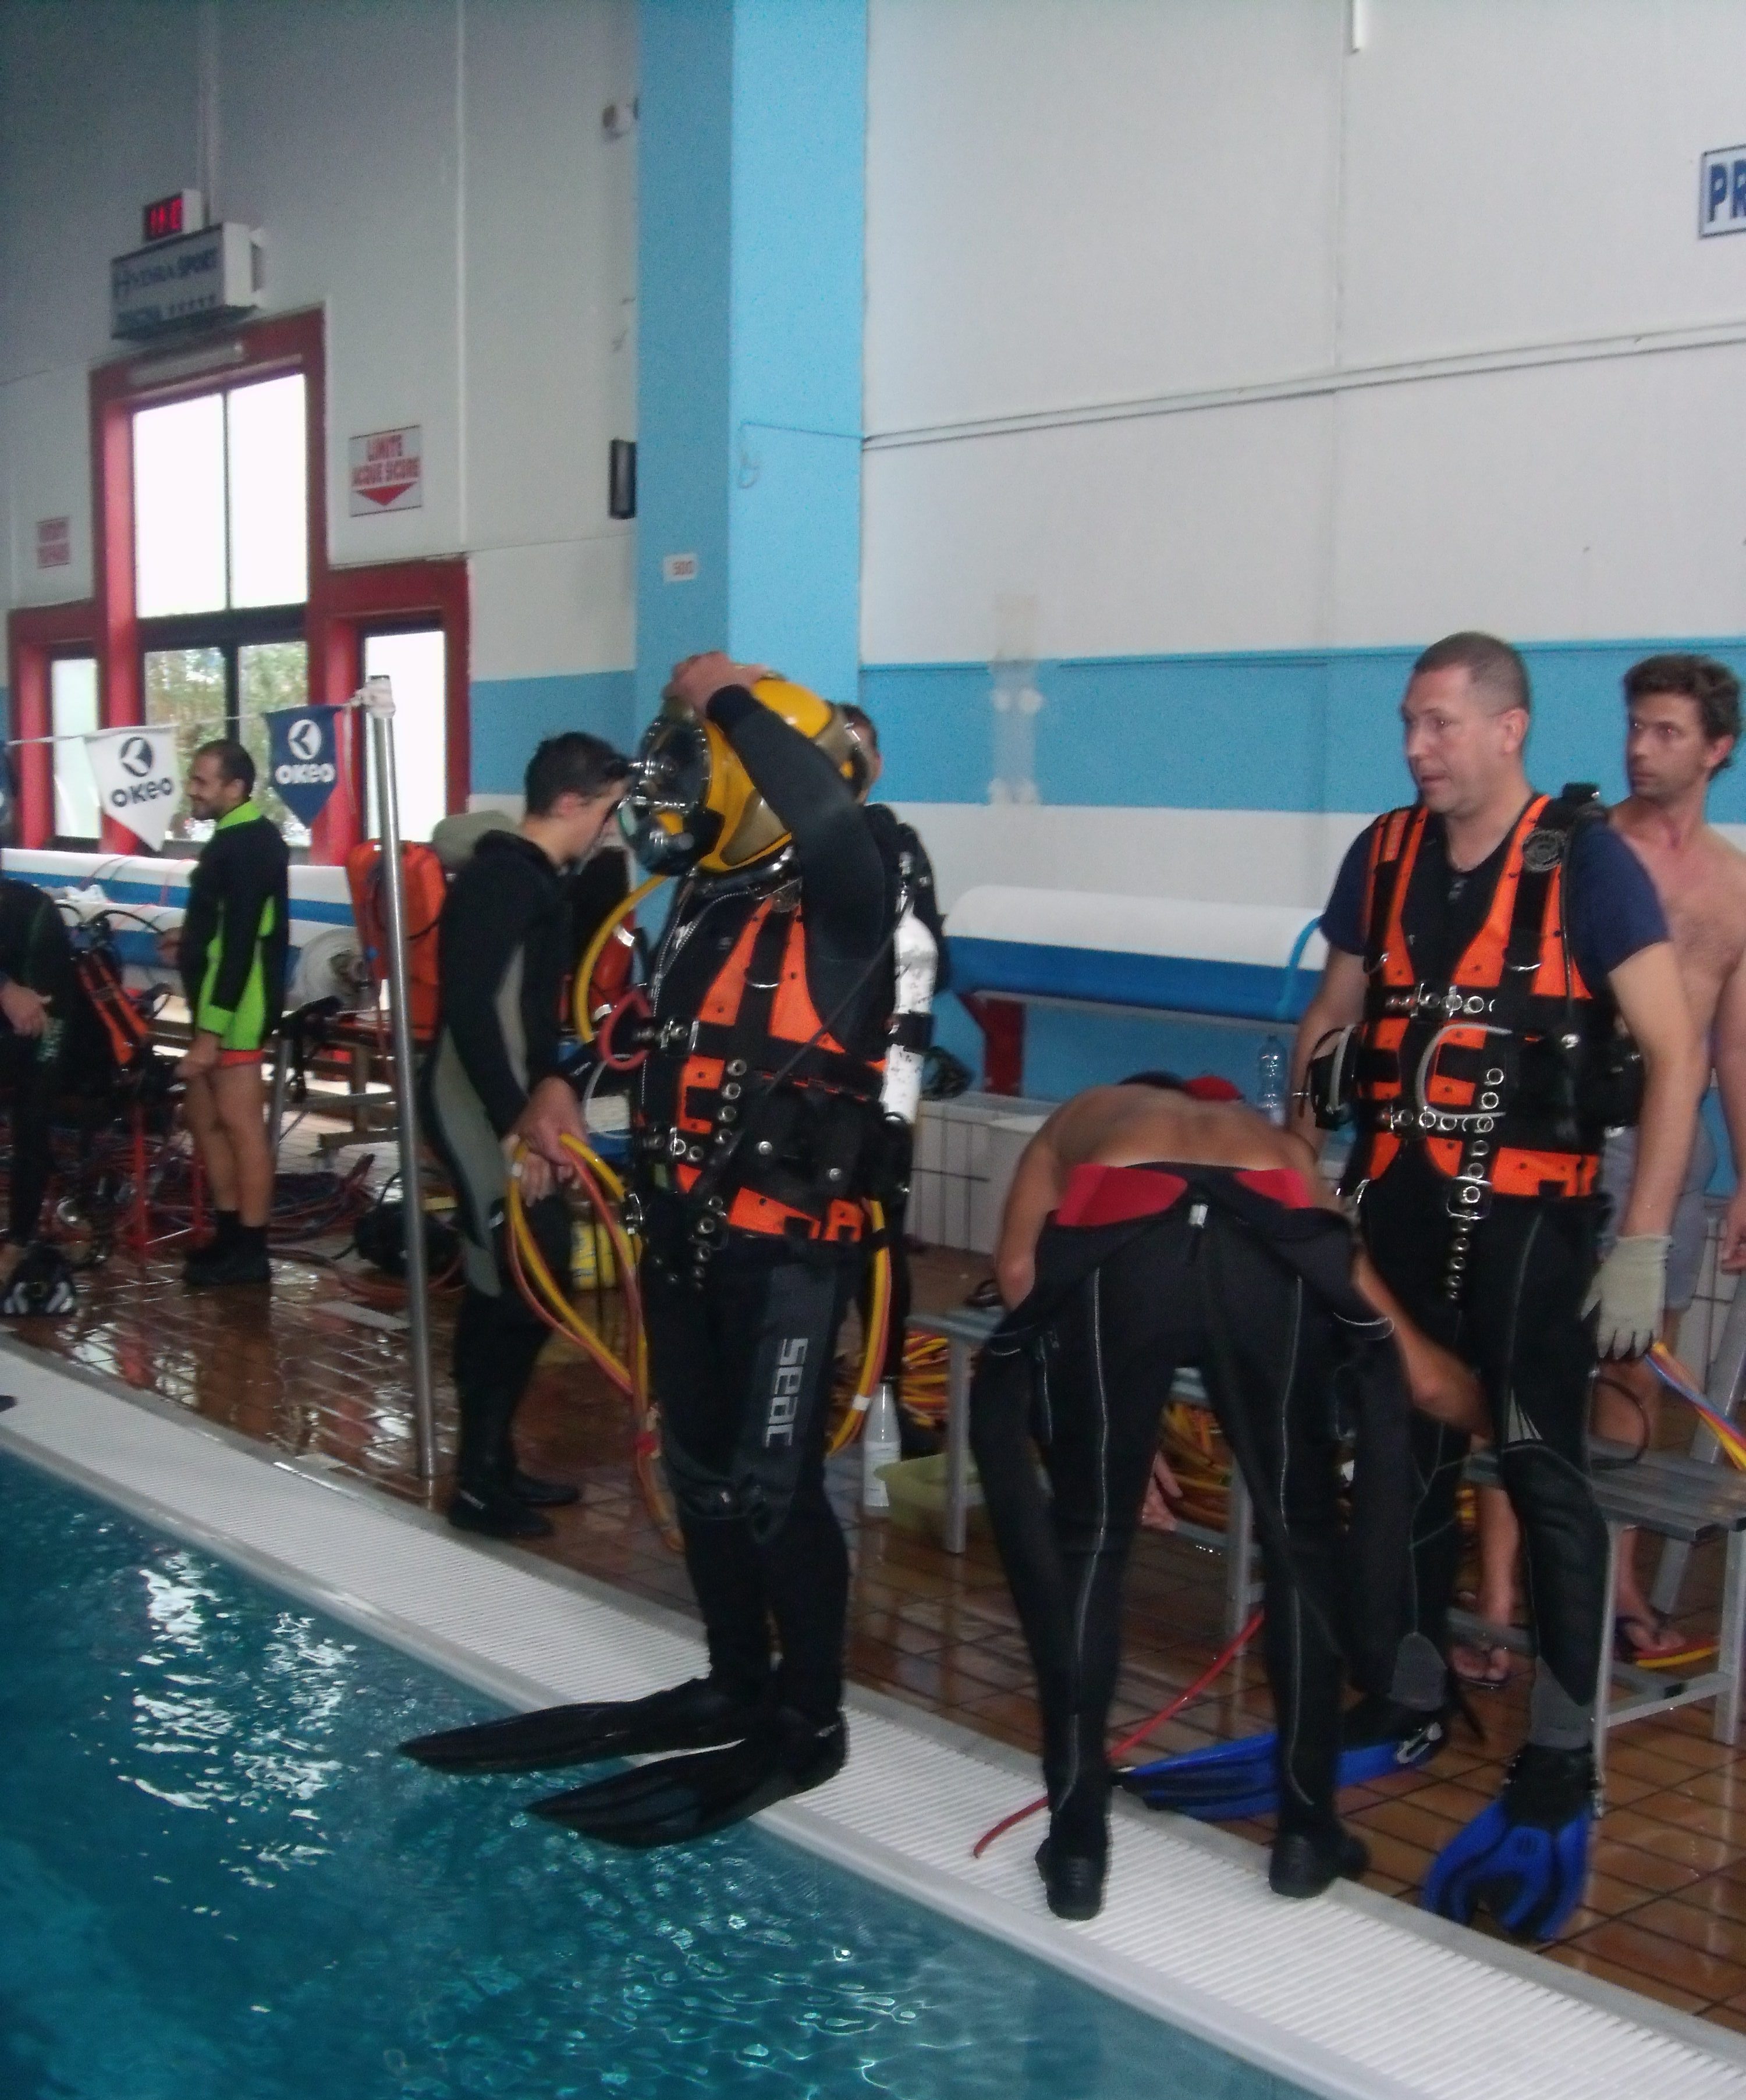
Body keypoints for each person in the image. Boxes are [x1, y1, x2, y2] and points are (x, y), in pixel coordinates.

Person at [404, 653, 901, 1849]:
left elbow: (830, 822)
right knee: (700, 1471)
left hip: (787, 1253)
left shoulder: (857, 884)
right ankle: (735, 1676)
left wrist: (727, 695)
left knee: (774, 1487)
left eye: (698, 770)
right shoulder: (707, 902)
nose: (671, 798)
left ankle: (811, 1715)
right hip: (683, 1232)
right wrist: (560, 1087)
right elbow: (655, 1038)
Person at [1291, 631, 1707, 1943]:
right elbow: (1333, 1013)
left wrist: (1643, 1241)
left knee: (1541, 1468)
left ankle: (1564, 1752)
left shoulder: (1586, 863)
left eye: (1440, 724)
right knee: (1400, 1454)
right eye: (1408, 724)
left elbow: (1677, 1053)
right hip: (1398, 1207)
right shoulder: (1385, 855)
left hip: (1533, 1225)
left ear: (1509, 728)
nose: (1416, 747)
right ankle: (1413, 1692)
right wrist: (1300, 1165)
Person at [970, 1071, 1483, 1921]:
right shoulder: (1272, 1144)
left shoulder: (1084, 1115)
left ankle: (1078, 1845)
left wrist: (1101, 1428)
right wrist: (1496, 1418)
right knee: (1301, 1538)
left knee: (1092, 1539)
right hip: (1267, 1239)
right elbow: (1417, 1369)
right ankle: (1306, 1834)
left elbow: (1023, 1269)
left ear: (1140, 1094)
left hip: (1124, 1232)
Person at [1463, 653, 1746, 1673]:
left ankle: (1616, 1585)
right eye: (1635, 726)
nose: (1641, 749)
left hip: (1666, 1148)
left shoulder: (1734, 886)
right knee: (1520, 1360)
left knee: (1633, 1361)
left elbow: (1732, 1047)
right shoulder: (1575, 851)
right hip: (1554, 1134)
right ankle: (1499, 1596)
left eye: (1667, 732)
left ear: (1717, 750)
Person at [420, 730, 629, 1541]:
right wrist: (516, 1125)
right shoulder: (503, 880)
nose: (611, 829)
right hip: (474, 1103)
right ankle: (476, 1483)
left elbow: (534, 1018)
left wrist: (550, 1096)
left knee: (523, 1283)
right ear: (571, 802)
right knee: (518, 1281)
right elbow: (475, 1013)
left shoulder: (539, 878)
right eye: (607, 811)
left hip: (507, 1103)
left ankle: (493, 1462)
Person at [840, 702, 949, 1454]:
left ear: (877, 766)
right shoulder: (776, 850)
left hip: (879, 1080)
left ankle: (883, 1400)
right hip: (805, 1087)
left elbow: (932, 963)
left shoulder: (898, 851)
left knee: (878, 1244)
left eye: (858, 753)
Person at [175, 741, 291, 1291]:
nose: (192, 790)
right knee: (204, 1118)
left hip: (238, 1007)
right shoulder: (232, 838)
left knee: (241, 1125)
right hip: (217, 1000)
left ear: (235, 788)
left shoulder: (250, 844)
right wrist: (189, 941)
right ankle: (228, 1232)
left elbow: (242, 941)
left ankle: (251, 1248)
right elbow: (223, 925)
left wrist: (211, 1034)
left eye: (202, 781)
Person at [0, 873, 77, 1286]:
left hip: (46, 1012)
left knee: (32, 1118)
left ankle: (19, 1241)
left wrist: (9, 991)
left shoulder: (28, 912)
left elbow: (38, 1014)